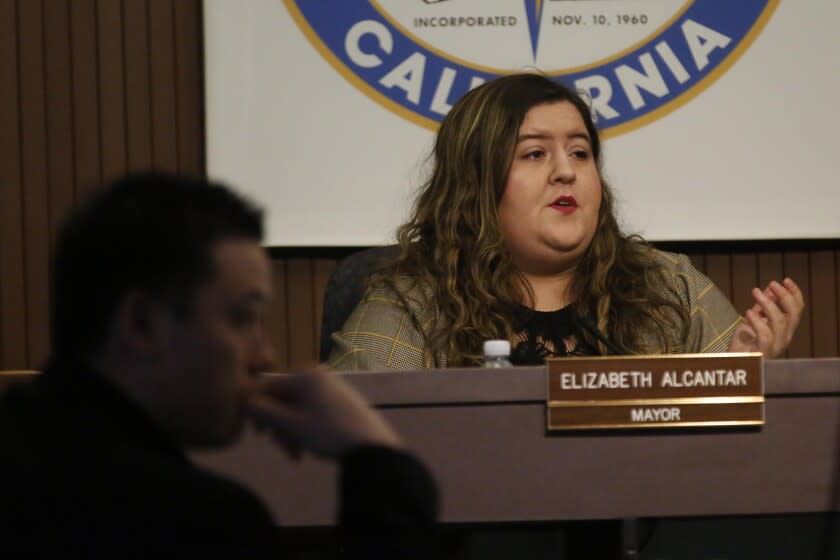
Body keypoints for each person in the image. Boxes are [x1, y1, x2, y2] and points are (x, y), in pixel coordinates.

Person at [0, 173, 437, 557]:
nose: (264, 355)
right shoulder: (197, 523)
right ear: (142, 323)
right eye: (241, 317)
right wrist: (377, 461)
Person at [329, 73, 804, 371]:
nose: (566, 170)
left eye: (580, 152)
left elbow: (736, 466)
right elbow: (353, 439)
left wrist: (744, 373)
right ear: (475, 184)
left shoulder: (667, 286)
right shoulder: (415, 301)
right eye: (535, 153)